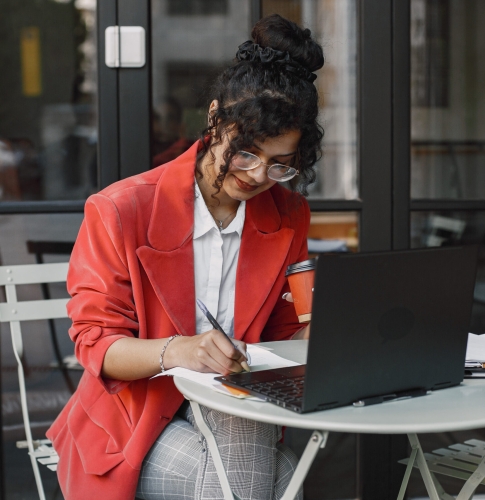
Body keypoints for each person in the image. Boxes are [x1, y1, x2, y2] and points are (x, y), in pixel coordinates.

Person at [47, 14, 324, 500]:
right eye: (246, 153)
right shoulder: (120, 209)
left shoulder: (287, 214)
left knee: (243, 450)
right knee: (281, 482)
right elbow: (95, 345)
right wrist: (180, 350)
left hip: (236, 414)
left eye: (280, 163)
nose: (258, 175)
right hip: (132, 424)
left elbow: (282, 335)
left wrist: (320, 330)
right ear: (215, 118)